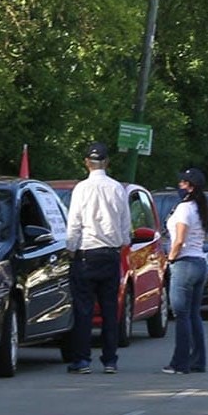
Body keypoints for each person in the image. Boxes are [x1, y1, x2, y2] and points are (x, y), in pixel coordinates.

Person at [65, 142, 131, 374]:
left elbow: (74, 223)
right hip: (110, 254)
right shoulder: (117, 189)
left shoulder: (81, 189)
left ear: (86, 163)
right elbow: (125, 225)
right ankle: (110, 359)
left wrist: (71, 249)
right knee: (110, 309)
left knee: (83, 309)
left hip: (86, 254)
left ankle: (82, 360)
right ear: (107, 162)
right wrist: (123, 244)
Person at [163, 168, 208, 374]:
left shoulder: (184, 209)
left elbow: (180, 239)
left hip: (184, 263)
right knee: (193, 315)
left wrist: (170, 259)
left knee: (181, 315)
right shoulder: (201, 208)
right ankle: (198, 360)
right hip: (199, 261)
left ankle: (180, 362)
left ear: (190, 186)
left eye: (182, 183)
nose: (179, 186)